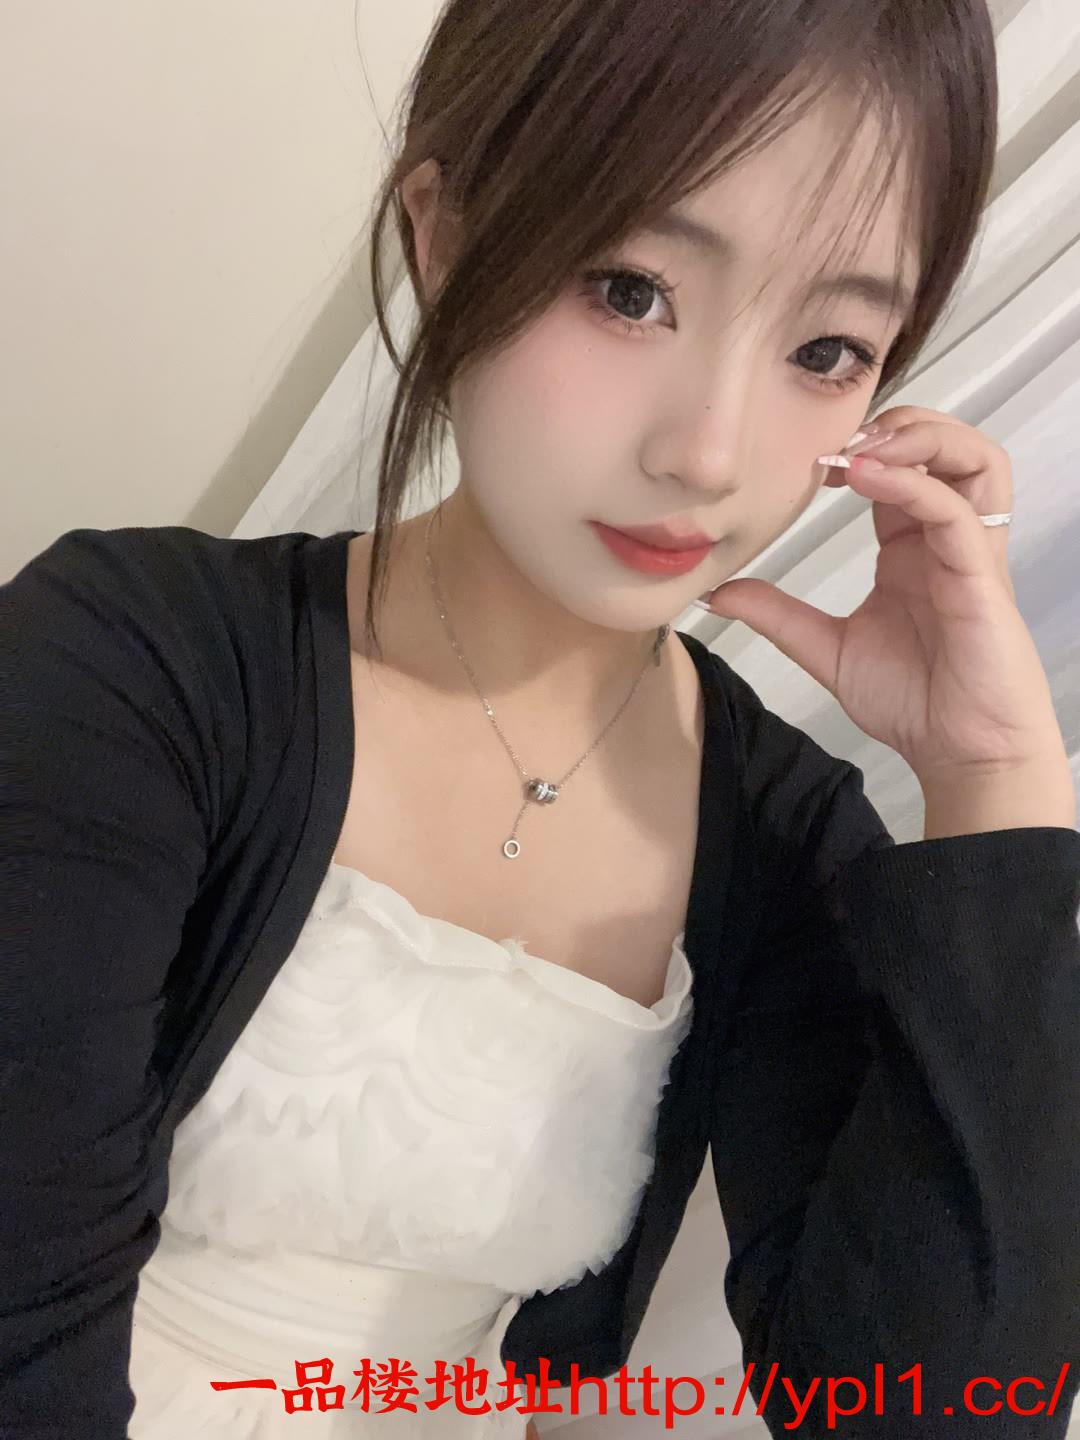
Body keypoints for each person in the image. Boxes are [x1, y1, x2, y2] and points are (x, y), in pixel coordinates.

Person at [3, 0, 1079, 1436]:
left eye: (827, 350)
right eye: (631, 290)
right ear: (443, 239)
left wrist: (997, 784)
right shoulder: (133, 662)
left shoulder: (779, 836)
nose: (707, 454)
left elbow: (931, 1411)